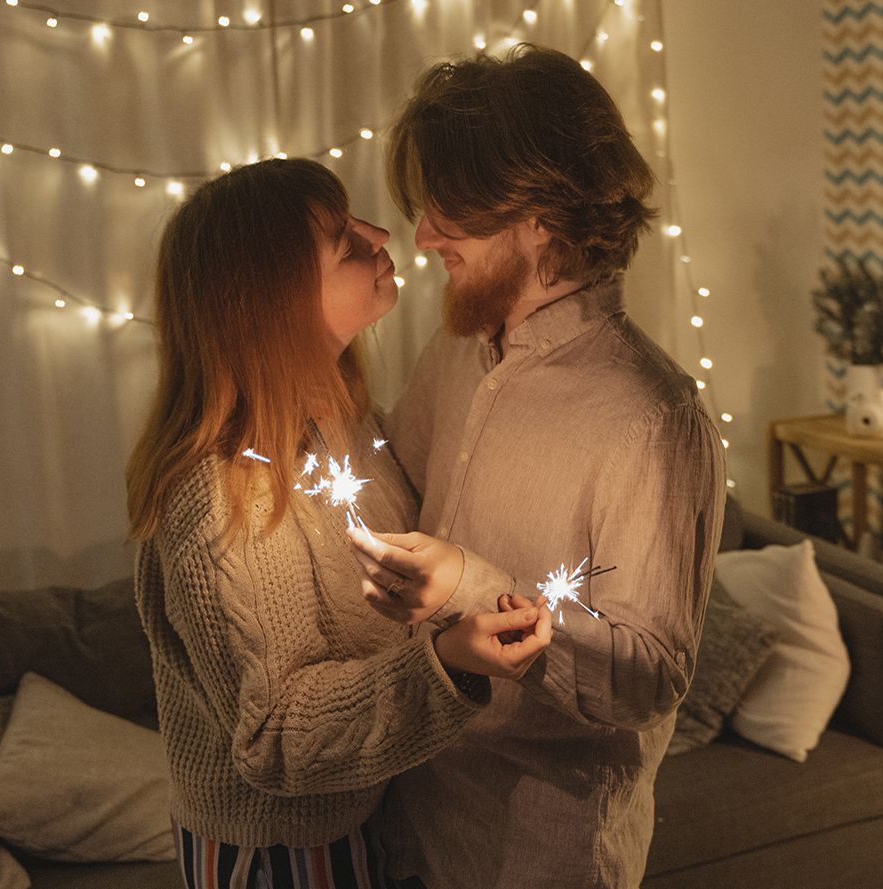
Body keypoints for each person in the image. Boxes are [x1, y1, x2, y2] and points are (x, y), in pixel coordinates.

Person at [348, 45, 727, 889]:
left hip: (541, 854)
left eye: (449, 208)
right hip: (412, 813)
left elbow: (649, 676)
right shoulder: (457, 345)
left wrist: (470, 589)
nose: (423, 235)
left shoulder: (652, 418)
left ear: (540, 213)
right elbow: (397, 479)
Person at [125, 158, 553, 889]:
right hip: (284, 855)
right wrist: (446, 661)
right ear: (272, 298)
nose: (382, 233)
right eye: (343, 240)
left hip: (369, 819)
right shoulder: (223, 499)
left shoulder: (342, 424)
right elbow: (273, 736)